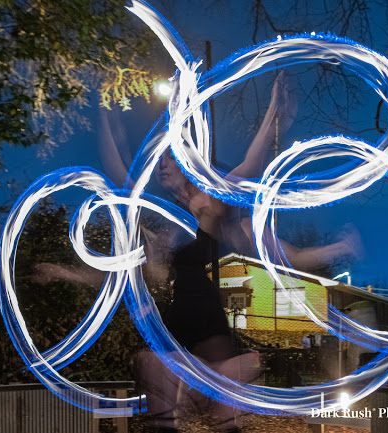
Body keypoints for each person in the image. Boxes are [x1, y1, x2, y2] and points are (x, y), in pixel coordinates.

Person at [35, 72, 362, 432]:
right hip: (179, 332)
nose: (161, 166)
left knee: (218, 414)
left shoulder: (213, 204)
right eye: (159, 163)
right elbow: (119, 179)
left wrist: (275, 111)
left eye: (169, 159)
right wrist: (104, 117)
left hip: (211, 334)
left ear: (189, 162)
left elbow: (254, 166)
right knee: (154, 383)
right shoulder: (165, 224)